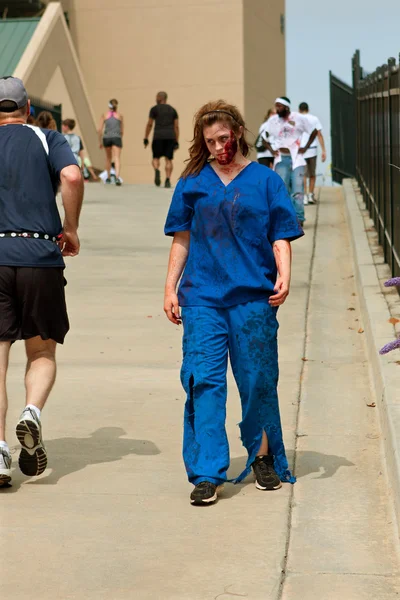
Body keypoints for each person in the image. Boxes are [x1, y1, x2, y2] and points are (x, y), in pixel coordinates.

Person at [163, 100, 304, 506]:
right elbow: (182, 238)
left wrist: (284, 274)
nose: (217, 146)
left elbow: (281, 232)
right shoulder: (192, 181)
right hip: (202, 299)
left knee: (258, 379)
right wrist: (171, 287)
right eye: (209, 141)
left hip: (253, 298)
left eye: (223, 138)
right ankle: (207, 472)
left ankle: (262, 458)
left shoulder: (265, 180)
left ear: (238, 133)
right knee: (203, 381)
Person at [0, 76, 83, 487]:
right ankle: (31, 412)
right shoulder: (48, 138)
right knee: (41, 350)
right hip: (38, 255)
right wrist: (70, 226)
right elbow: (71, 176)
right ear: (27, 108)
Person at [263, 96, 318, 226]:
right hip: (281, 159)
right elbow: (264, 137)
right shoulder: (273, 121)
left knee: (298, 190)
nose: (277, 109)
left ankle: (299, 218)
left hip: (297, 158)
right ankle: (286, 218)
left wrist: (305, 147)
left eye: (279, 106)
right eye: (276, 106)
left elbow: (314, 131)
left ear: (286, 107)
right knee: (283, 190)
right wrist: (271, 150)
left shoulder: (298, 118)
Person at [144, 92, 179, 189]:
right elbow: (176, 126)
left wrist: (146, 137)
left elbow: (150, 124)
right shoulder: (172, 110)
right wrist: (176, 140)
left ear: (160, 98)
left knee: (156, 158)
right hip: (170, 136)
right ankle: (167, 179)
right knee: (169, 159)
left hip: (158, 137)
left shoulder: (154, 109)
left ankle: (156, 170)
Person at [298, 102, 326, 205]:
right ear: (308, 109)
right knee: (312, 174)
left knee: (304, 175)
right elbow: (319, 135)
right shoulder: (314, 119)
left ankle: (304, 196)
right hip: (312, 149)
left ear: (299, 109)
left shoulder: (298, 119)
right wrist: (323, 150)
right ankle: (310, 194)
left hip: (301, 150)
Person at [98, 99, 123, 186]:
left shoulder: (104, 115)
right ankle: (117, 177)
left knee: (108, 158)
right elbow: (122, 130)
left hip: (106, 138)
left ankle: (108, 177)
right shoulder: (120, 116)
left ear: (109, 106)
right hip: (116, 137)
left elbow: (100, 129)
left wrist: (100, 141)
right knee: (117, 158)